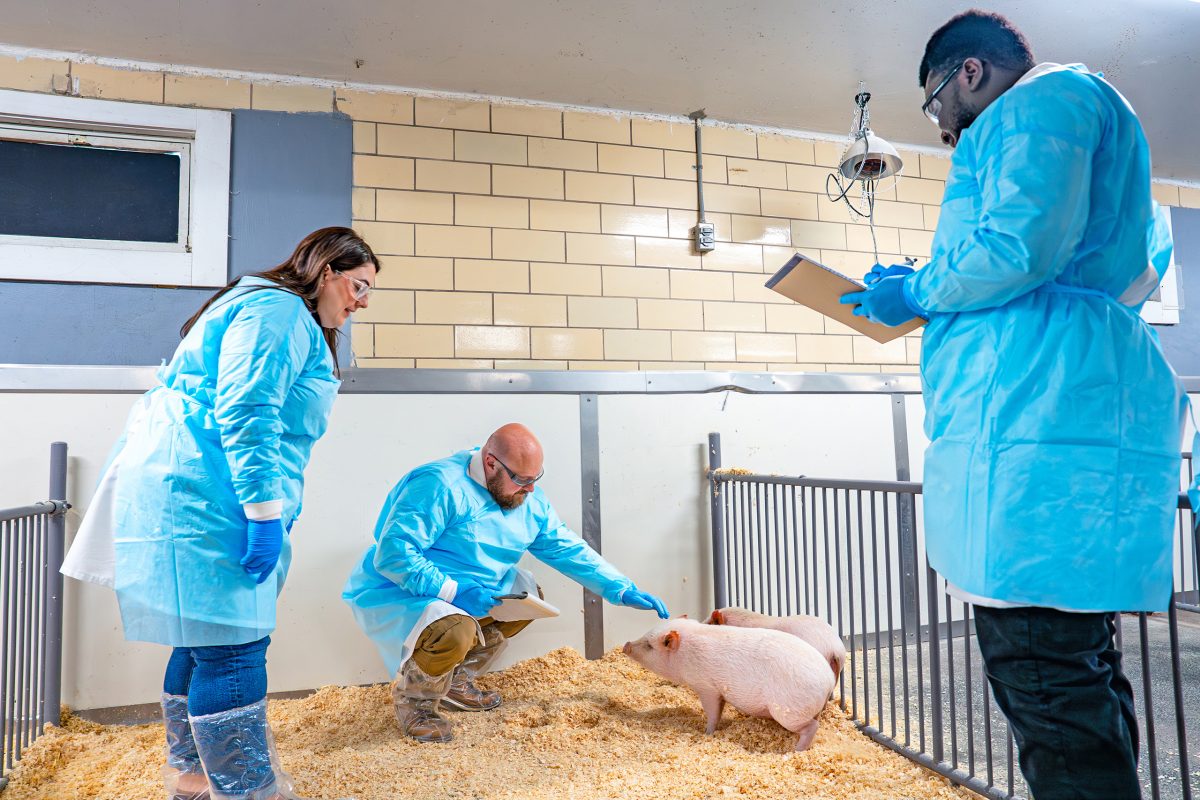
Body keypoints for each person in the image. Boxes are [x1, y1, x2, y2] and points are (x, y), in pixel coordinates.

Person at [839, 11, 1184, 799]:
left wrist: (920, 290)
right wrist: (931, 278)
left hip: (1033, 436)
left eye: (936, 102)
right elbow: (1043, 251)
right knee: (1078, 684)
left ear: (969, 72)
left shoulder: (1039, 103)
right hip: (1048, 418)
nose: (940, 127)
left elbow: (1020, 246)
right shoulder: (1070, 116)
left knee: (1048, 693)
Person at [62, 227, 381, 800]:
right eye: (359, 286)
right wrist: (262, 512)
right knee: (234, 647)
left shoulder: (268, 308)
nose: (361, 302)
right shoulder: (280, 312)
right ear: (327, 271)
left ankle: (192, 778)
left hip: (199, 483)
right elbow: (248, 409)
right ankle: (244, 790)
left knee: (201, 639)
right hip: (211, 490)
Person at [342, 423, 670, 743]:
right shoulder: (439, 485)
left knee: (527, 600)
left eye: (535, 479)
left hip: (473, 588)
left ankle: (454, 681)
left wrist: (619, 587)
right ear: (490, 463)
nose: (530, 489)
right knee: (455, 630)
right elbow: (393, 553)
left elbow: (565, 547)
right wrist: (452, 591)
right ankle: (416, 703)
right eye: (522, 480)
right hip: (406, 590)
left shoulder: (528, 498)